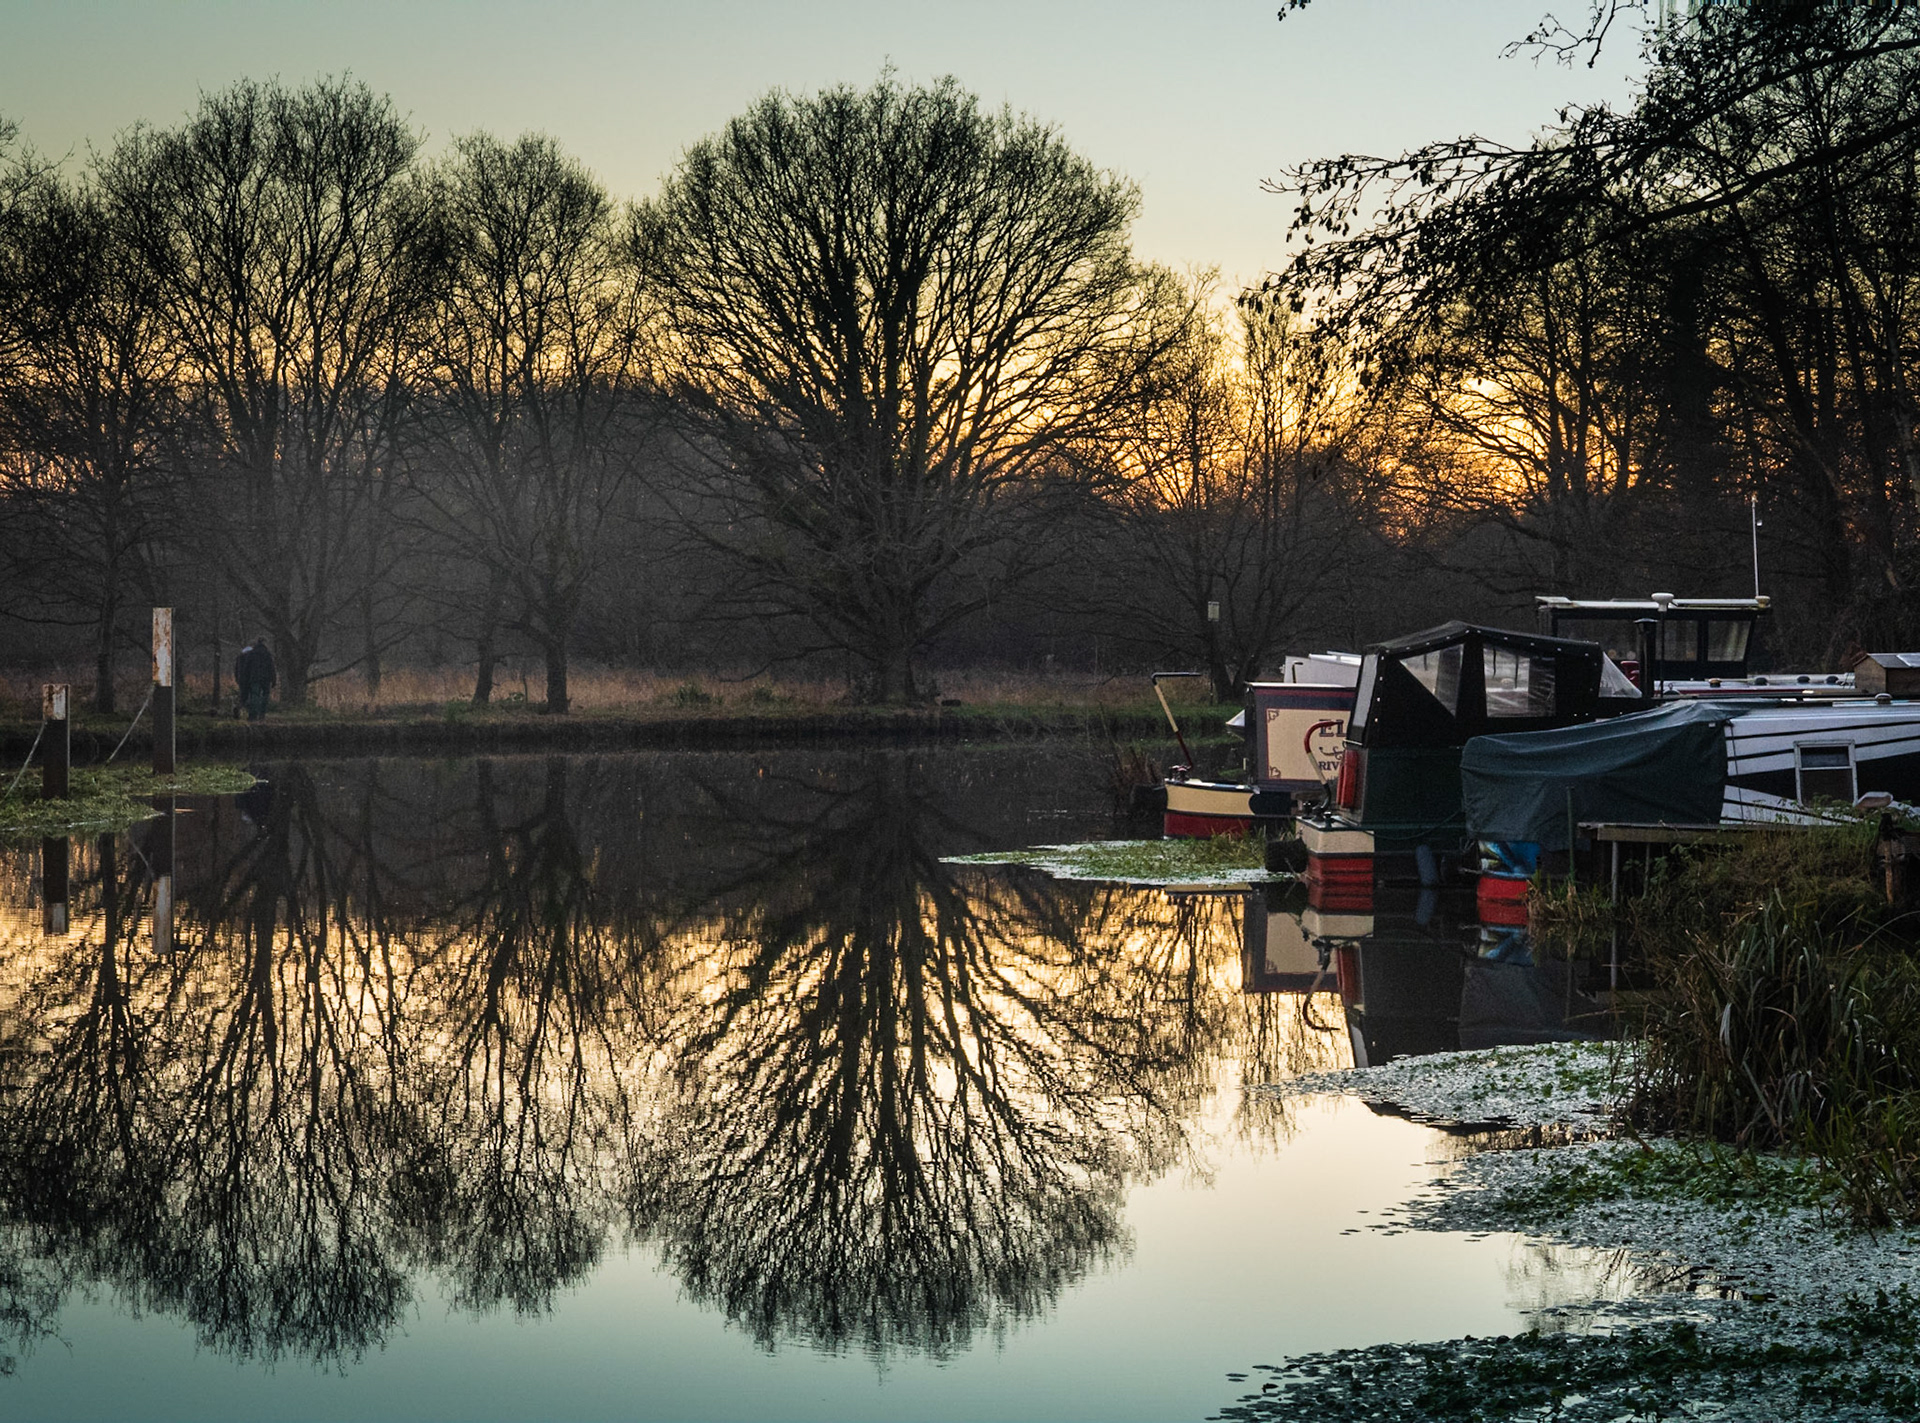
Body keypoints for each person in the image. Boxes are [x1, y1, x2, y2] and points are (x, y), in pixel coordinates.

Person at [234, 636, 277, 720]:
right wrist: (274, 679)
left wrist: (244, 679)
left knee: (255, 695)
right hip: (266, 679)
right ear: (265, 643)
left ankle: (252, 715)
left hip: (254, 678)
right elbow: (272, 668)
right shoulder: (267, 654)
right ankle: (262, 714)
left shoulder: (251, 654)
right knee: (265, 695)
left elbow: (247, 667)